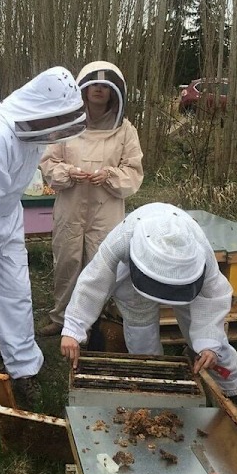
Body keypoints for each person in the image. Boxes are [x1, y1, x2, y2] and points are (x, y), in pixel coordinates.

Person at [0, 66, 87, 405]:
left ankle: (23, 370)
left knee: (17, 295)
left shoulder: (32, 133)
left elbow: (1, 197)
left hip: (5, 220)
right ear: (42, 110)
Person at [60, 202, 237, 397]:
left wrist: (209, 344)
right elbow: (94, 280)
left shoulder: (200, 251)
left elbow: (213, 297)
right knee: (142, 333)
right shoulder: (124, 236)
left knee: (210, 343)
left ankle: (230, 389)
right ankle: (155, 388)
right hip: (134, 286)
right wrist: (74, 329)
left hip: (187, 284)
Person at [39, 61, 143, 336]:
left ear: (114, 93)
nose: (98, 89)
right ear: (82, 90)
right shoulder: (66, 124)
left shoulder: (126, 130)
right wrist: (67, 172)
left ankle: (98, 320)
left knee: (104, 263)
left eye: (105, 86)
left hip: (106, 208)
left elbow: (134, 172)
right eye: (94, 84)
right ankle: (61, 318)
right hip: (70, 205)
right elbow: (48, 163)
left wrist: (109, 175)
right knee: (66, 261)